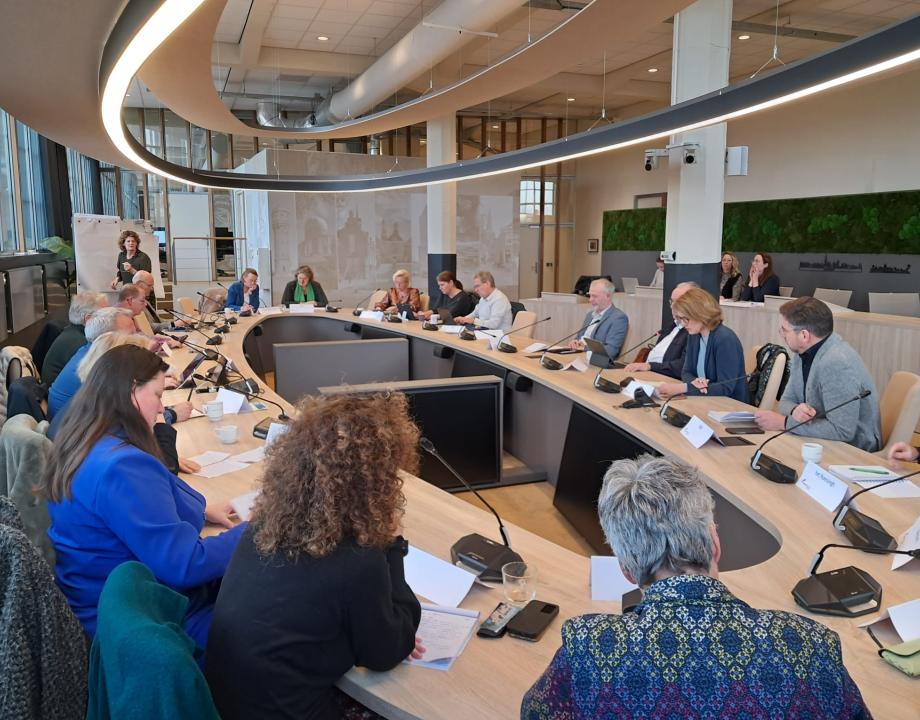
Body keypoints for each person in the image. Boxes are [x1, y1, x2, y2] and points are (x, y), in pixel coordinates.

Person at [521, 455, 869, 719]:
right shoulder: (811, 643)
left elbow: (534, 712)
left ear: (626, 571)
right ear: (715, 545)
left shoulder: (588, 646)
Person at [206, 392, 424, 720]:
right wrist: (391, 544)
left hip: (227, 706)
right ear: (375, 480)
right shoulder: (359, 561)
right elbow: (384, 654)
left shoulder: (265, 526)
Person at [43, 345, 243, 650]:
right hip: (142, 626)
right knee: (279, 607)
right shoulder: (122, 465)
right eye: (159, 395)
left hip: (100, 603)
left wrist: (202, 512)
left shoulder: (84, 439)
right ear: (131, 391)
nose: (162, 409)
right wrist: (256, 529)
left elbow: (129, 513)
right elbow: (184, 565)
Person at [754, 297, 881, 452]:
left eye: (785, 330)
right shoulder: (802, 353)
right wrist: (795, 410)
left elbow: (842, 431)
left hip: (853, 450)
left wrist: (784, 423)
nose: (782, 335)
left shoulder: (836, 362)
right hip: (819, 440)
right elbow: (785, 402)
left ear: (804, 336)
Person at [656, 288, 748, 402]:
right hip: (704, 400)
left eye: (686, 319)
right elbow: (686, 372)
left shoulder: (725, 339)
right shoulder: (693, 335)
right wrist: (696, 383)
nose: (683, 324)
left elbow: (725, 388)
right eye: (681, 319)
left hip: (730, 406)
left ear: (700, 314)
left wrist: (683, 388)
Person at [47, 307, 137, 418]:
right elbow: (128, 406)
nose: (137, 339)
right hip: (74, 429)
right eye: (131, 335)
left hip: (75, 424)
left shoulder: (89, 352)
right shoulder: (100, 365)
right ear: (108, 338)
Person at [623, 281, 693, 379]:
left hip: (666, 379)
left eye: (679, 302)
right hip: (649, 374)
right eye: (672, 301)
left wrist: (650, 366)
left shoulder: (693, 331)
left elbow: (682, 366)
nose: (673, 306)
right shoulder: (671, 326)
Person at [41, 291, 108, 385]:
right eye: (105, 315)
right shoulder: (82, 344)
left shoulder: (72, 333)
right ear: (88, 319)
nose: (110, 318)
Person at [568, 278, 628, 365]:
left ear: (608, 296)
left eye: (595, 296)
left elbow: (611, 351)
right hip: (577, 356)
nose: (590, 300)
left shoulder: (618, 318)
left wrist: (584, 348)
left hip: (595, 363)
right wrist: (574, 342)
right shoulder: (590, 315)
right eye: (590, 295)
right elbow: (579, 337)